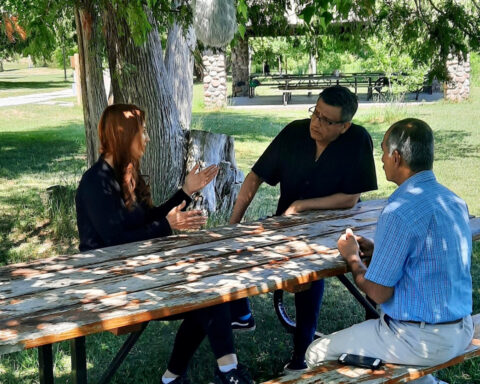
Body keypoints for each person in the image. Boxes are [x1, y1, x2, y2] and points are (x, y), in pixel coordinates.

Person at [75, 104, 254, 384]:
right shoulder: (96, 183)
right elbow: (115, 241)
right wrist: (168, 225)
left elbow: (148, 220)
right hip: (109, 281)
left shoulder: (126, 174)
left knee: (207, 291)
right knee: (207, 295)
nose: (146, 138)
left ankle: (199, 375)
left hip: (135, 269)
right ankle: (222, 373)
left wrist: (185, 191)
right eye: (142, 132)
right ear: (124, 136)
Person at [306, 118, 473, 384]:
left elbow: (378, 292)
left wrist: (351, 257)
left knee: (316, 353)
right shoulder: (454, 201)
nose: (381, 159)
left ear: (396, 157)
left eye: (383, 151)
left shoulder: (399, 210)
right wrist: (380, 250)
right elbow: (428, 258)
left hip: (417, 339)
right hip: (461, 328)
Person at [228, 86, 377, 372]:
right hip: (288, 226)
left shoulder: (358, 139)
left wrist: (303, 205)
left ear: (344, 126)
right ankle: (242, 313)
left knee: (315, 275)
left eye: (326, 120)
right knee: (253, 257)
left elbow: (351, 198)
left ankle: (302, 356)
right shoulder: (295, 132)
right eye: (315, 113)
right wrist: (233, 225)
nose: (316, 123)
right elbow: (255, 176)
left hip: (336, 227)